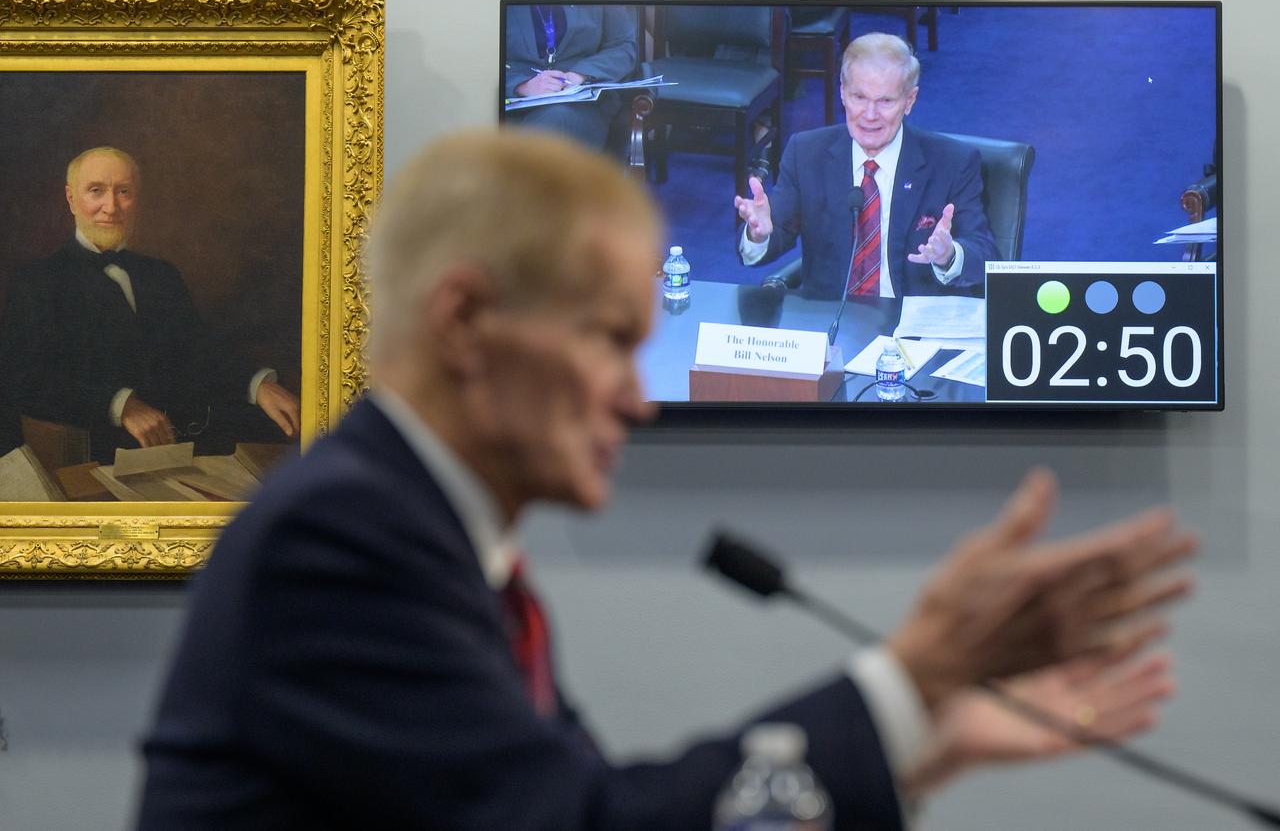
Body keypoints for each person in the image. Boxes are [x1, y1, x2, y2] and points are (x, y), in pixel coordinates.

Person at [136, 130, 1195, 829]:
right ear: (464, 321)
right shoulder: (342, 540)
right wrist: (901, 684)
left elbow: (582, 802)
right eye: (608, 339)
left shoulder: (424, 535)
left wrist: (923, 737)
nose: (636, 399)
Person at [0, 146, 300, 463]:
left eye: (124, 192)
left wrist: (257, 384)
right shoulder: (37, 281)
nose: (111, 206)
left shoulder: (161, 275)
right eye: (96, 191)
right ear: (72, 199)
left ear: (137, 200)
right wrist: (120, 404)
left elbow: (199, 351)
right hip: (99, 456)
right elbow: (24, 380)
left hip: (189, 447)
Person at [735, 32, 999, 300]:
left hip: (912, 327)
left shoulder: (952, 162)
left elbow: (985, 254)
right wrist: (758, 235)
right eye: (859, 97)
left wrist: (949, 255)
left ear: (909, 101)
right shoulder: (806, 153)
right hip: (832, 322)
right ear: (842, 93)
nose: (870, 115)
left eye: (885, 101)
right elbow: (775, 234)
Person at [503, 4, 637, 149]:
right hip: (508, 103)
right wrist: (521, 86)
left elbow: (623, 48)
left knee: (554, 120)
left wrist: (579, 75)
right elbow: (480, 57)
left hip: (582, 104)